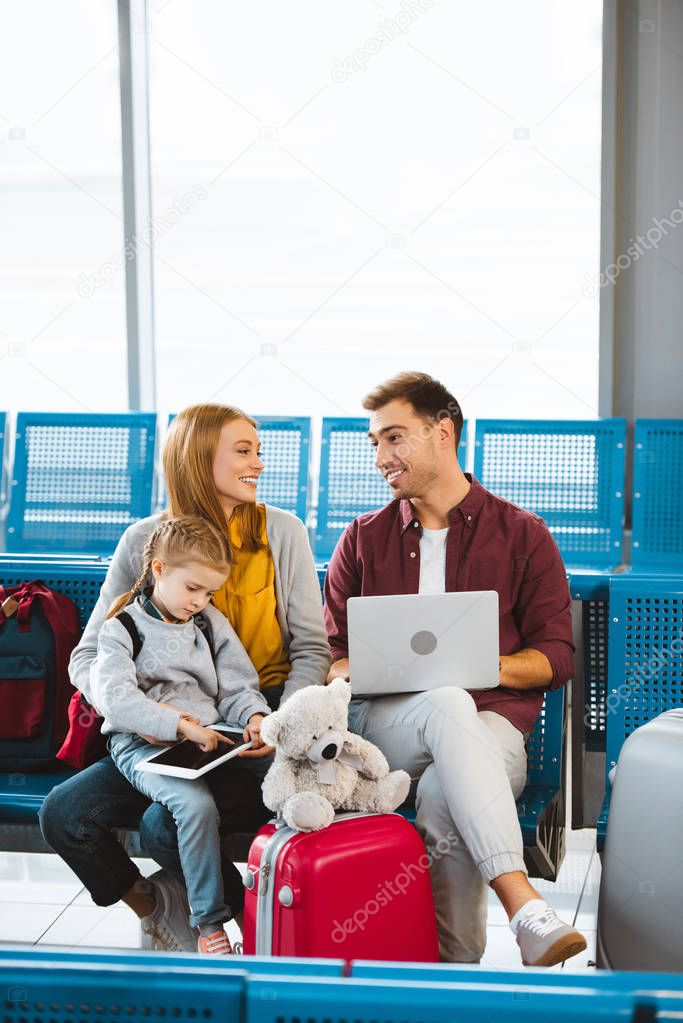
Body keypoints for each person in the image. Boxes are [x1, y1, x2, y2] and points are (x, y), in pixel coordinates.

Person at [40, 404, 330, 951]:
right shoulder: (147, 543)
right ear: (199, 459)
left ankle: (258, 928)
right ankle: (158, 905)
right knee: (64, 814)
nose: (258, 465)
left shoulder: (282, 534)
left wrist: (277, 725)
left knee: (162, 825)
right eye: (243, 451)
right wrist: (137, 714)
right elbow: (86, 657)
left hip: (251, 727)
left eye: (258, 451)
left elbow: (311, 650)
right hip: (159, 732)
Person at [324, 371, 587, 967]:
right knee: (446, 699)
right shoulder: (362, 539)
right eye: (374, 444)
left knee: (446, 788)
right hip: (387, 727)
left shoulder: (524, 535)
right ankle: (523, 903)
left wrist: (478, 665)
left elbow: (558, 657)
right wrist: (352, 672)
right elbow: (334, 657)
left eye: (394, 438)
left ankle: (454, 972)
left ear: (443, 433)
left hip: (491, 724)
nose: (381, 457)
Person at [92, 514, 272, 955]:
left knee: (287, 762)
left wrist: (253, 716)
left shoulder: (209, 624)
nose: (200, 601)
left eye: (209, 592)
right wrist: (175, 724)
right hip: (140, 745)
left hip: (208, 738)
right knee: (192, 805)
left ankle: (296, 897)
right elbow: (115, 698)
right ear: (158, 569)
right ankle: (210, 923)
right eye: (192, 589)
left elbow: (237, 686)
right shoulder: (122, 629)